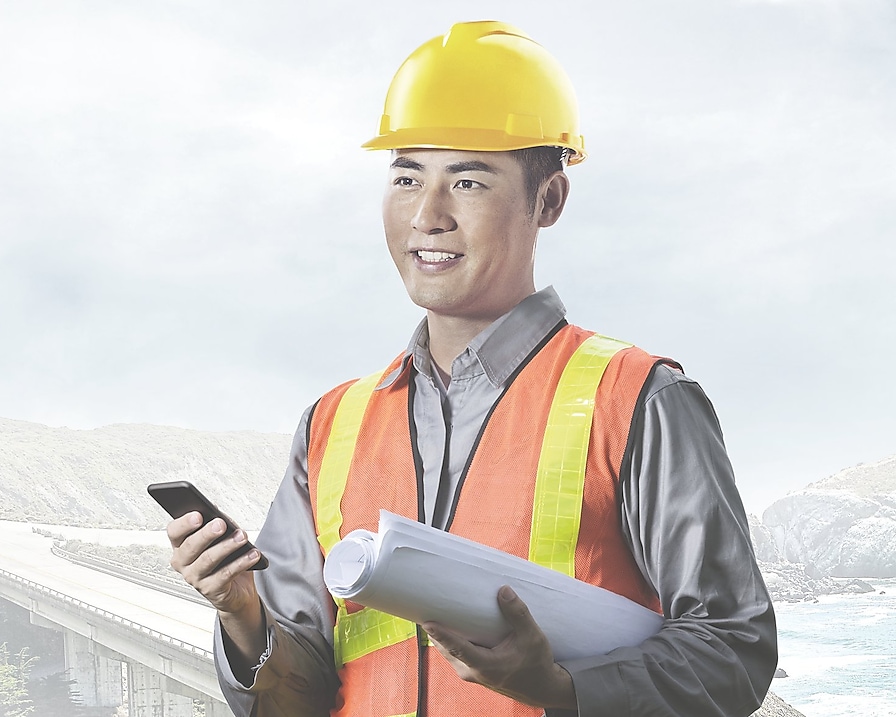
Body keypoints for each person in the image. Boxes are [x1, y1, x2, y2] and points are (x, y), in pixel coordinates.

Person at [168, 20, 777, 717]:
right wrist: (243, 614)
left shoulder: (638, 399)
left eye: (467, 179)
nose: (428, 215)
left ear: (548, 199)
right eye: (406, 176)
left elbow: (734, 653)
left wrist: (559, 688)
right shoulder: (331, 425)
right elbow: (296, 702)